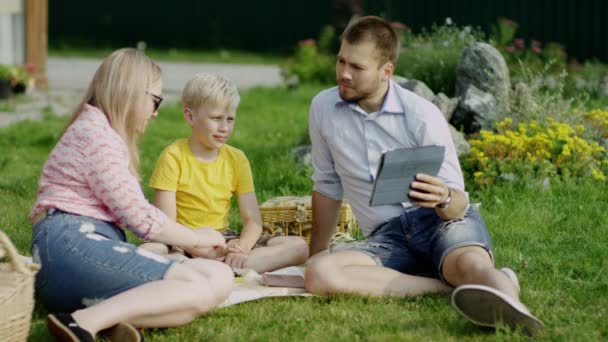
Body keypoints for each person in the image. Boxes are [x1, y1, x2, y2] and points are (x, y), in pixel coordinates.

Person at [304, 16, 544, 335]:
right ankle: (448, 288)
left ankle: (513, 307)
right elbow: (327, 184)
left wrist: (443, 196)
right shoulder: (323, 107)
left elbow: (458, 204)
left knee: (470, 265)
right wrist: (316, 253)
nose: (344, 74)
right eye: (341, 61)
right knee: (319, 273)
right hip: (386, 238)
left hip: (438, 222)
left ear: (386, 71)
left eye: (357, 68)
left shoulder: (421, 115)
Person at [30, 49, 234, 342]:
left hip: (68, 252)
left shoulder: (96, 130)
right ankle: (82, 322)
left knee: (218, 278)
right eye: (155, 101)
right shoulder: (96, 137)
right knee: (198, 288)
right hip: (70, 248)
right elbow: (142, 220)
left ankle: (111, 318)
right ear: (131, 93)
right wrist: (199, 238)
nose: (156, 112)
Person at [142, 73, 309, 273]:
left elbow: (253, 221)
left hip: (222, 240)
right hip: (180, 241)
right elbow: (166, 224)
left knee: (298, 246)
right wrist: (199, 247)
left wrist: (242, 247)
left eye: (230, 119)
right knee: (149, 250)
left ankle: (223, 267)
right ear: (190, 116)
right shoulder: (173, 157)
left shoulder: (237, 159)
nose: (224, 128)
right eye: (216, 118)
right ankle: (223, 268)